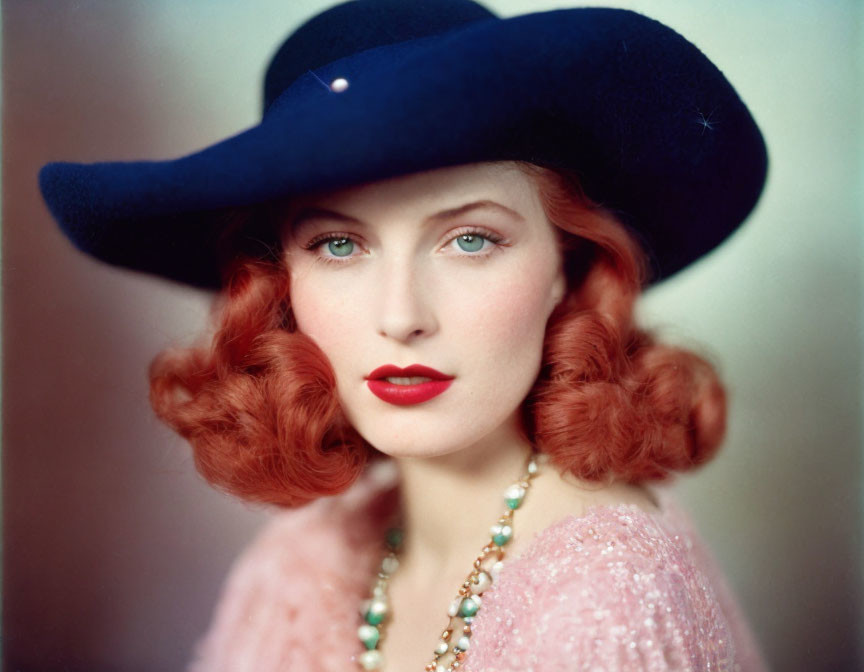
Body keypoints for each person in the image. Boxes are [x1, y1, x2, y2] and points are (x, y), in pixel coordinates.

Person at [37, 1, 770, 670]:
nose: (400, 314)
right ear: (281, 280)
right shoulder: (307, 562)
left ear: (564, 266)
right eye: (339, 246)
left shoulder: (608, 605)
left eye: (471, 239)